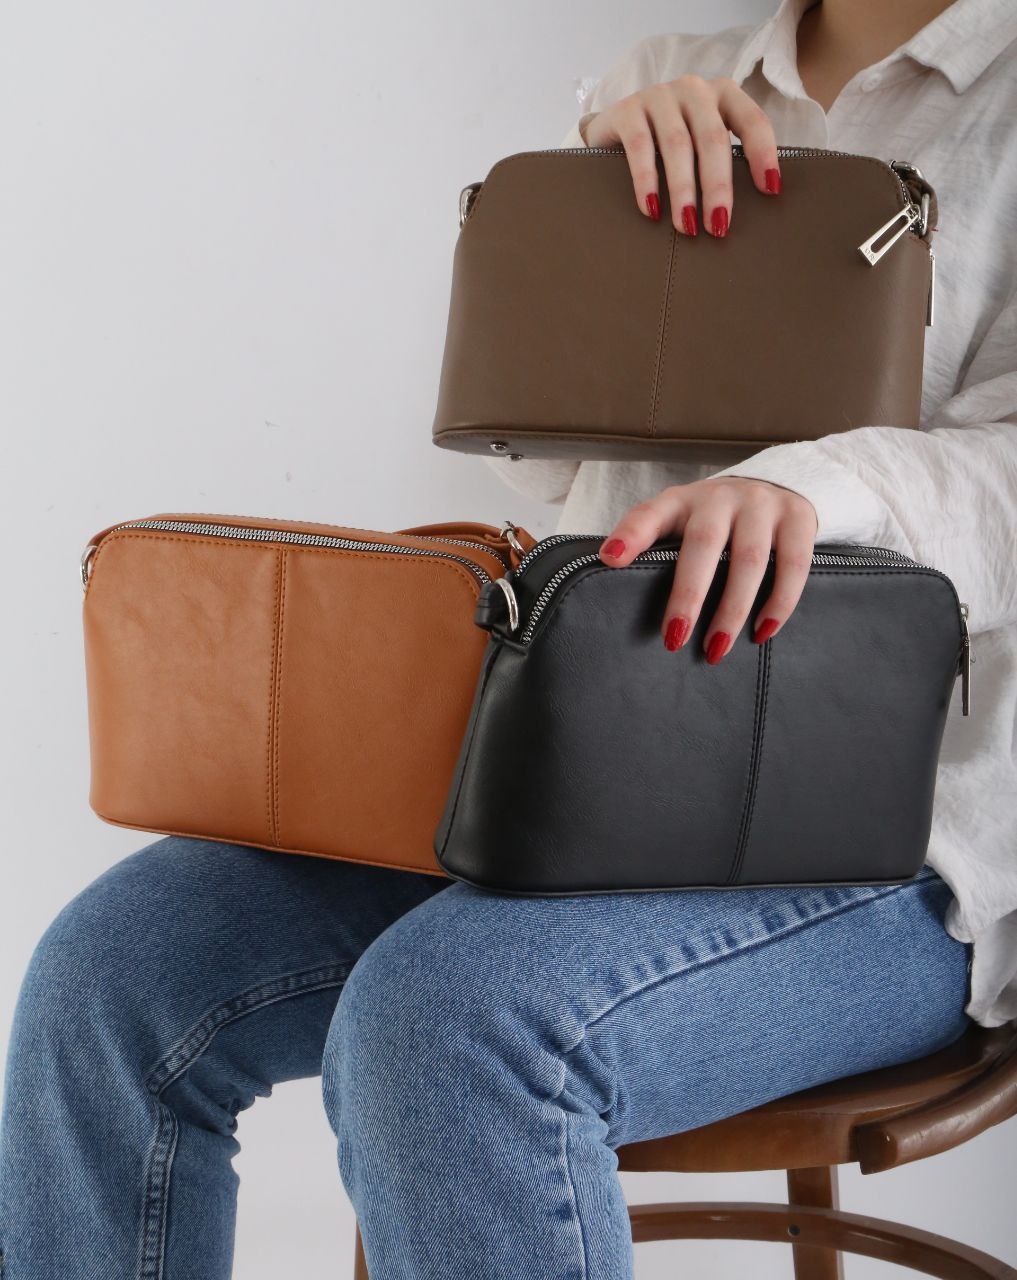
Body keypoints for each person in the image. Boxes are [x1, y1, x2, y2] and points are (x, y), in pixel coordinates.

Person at [1, 0, 1014, 1276]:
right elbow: (540, 457)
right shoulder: (666, 82)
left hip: (902, 847)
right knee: (109, 975)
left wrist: (821, 484)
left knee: (445, 1020)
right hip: (572, 783)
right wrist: (575, 215)